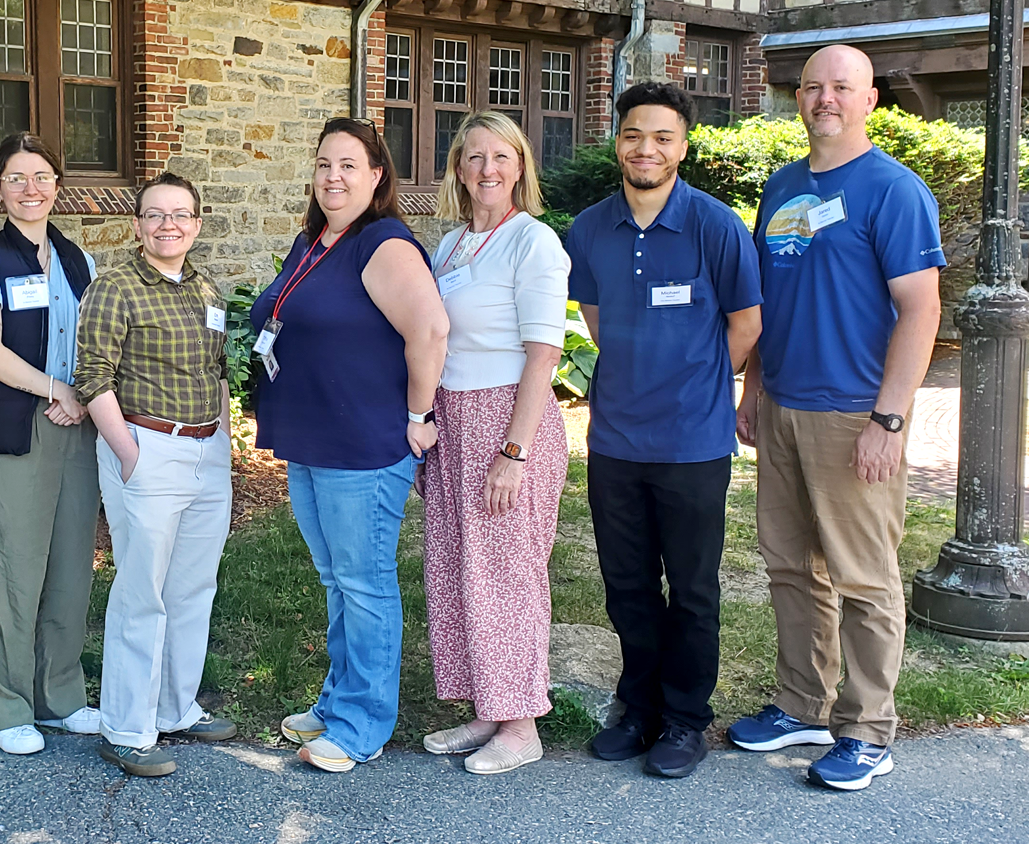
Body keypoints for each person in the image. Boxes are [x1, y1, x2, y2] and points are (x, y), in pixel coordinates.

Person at [728, 45, 944, 792]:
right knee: (790, 566)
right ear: (799, 100)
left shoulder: (894, 190)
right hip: (783, 403)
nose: (825, 98)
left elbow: (921, 310)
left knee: (863, 579)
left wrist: (889, 420)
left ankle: (868, 729)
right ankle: (801, 702)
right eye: (813, 87)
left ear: (870, 100)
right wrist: (753, 390)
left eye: (841, 88)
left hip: (854, 414)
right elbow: (767, 302)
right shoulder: (783, 185)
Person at [566, 83, 762, 779]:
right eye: (633, 135)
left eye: (662, 137)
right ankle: (639, 707)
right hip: (615, 442)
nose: (645, 148)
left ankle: (685, 721)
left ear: (683, 146)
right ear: (617, 141)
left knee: (693, 589)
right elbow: (594, 317)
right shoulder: (588, 229)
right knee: (627, 588)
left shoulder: (715, 226)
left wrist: (693, 381)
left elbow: (746, 326)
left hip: (693, 445)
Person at [251, 117, 449, 773]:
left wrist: (420, 414)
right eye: (323, 164)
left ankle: (363, 724)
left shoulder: (381, 243)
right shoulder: (316, 242)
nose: (333, 177)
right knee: (338, 580)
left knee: (364, 585)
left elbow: (430, 330)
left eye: (348, 165)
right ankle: (339, 701)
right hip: (312, 438)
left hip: (362, 444)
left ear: (377, 176)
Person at [418, 112, 571, 775]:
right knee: (456, 569)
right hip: (452, 421)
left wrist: (515, 452)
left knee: (507, 575)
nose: (487, 169)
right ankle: (486, 706)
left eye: (501, 157)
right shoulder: (448, 246)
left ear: (519, 167)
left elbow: (543, 355)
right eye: (474, 156)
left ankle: (522, 723)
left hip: (510, 419)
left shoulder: (532, 243)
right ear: (457, 167)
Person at [74, 172, 236, 777]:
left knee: (192, 588)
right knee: (142, 591)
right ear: (137, 224)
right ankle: (125, 727)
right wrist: (128, 451)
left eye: (181, 214)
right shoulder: (115, 287)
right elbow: (93, 374)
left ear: (196, 222)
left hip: (205, 451)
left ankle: (175, 708)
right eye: (156, 214)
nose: (169, 225)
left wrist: (221, 442)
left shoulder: (207, 291)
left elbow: (219, 369)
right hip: (144, 444)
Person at [0, 133, 102, 756]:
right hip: (17, 427)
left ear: (58, 186)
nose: (30, 188)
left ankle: (60, 696)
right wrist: (57, 390)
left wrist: (85, 396)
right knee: (13, 568)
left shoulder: (77, 260)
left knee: (70, 565)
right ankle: (7, 703)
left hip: (77, 427)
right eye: (16, 177)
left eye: (41, 176)